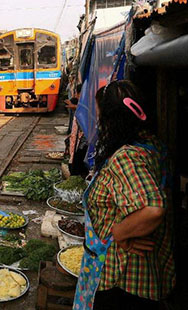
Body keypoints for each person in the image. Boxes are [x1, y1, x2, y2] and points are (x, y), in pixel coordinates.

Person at [73, 80, 175, 310]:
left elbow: (152, 208)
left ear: (112, 119)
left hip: (122, 278)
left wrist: (120, 233)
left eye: (100, 116)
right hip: (147, 274)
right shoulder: (153, 145)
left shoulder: (126, 157)